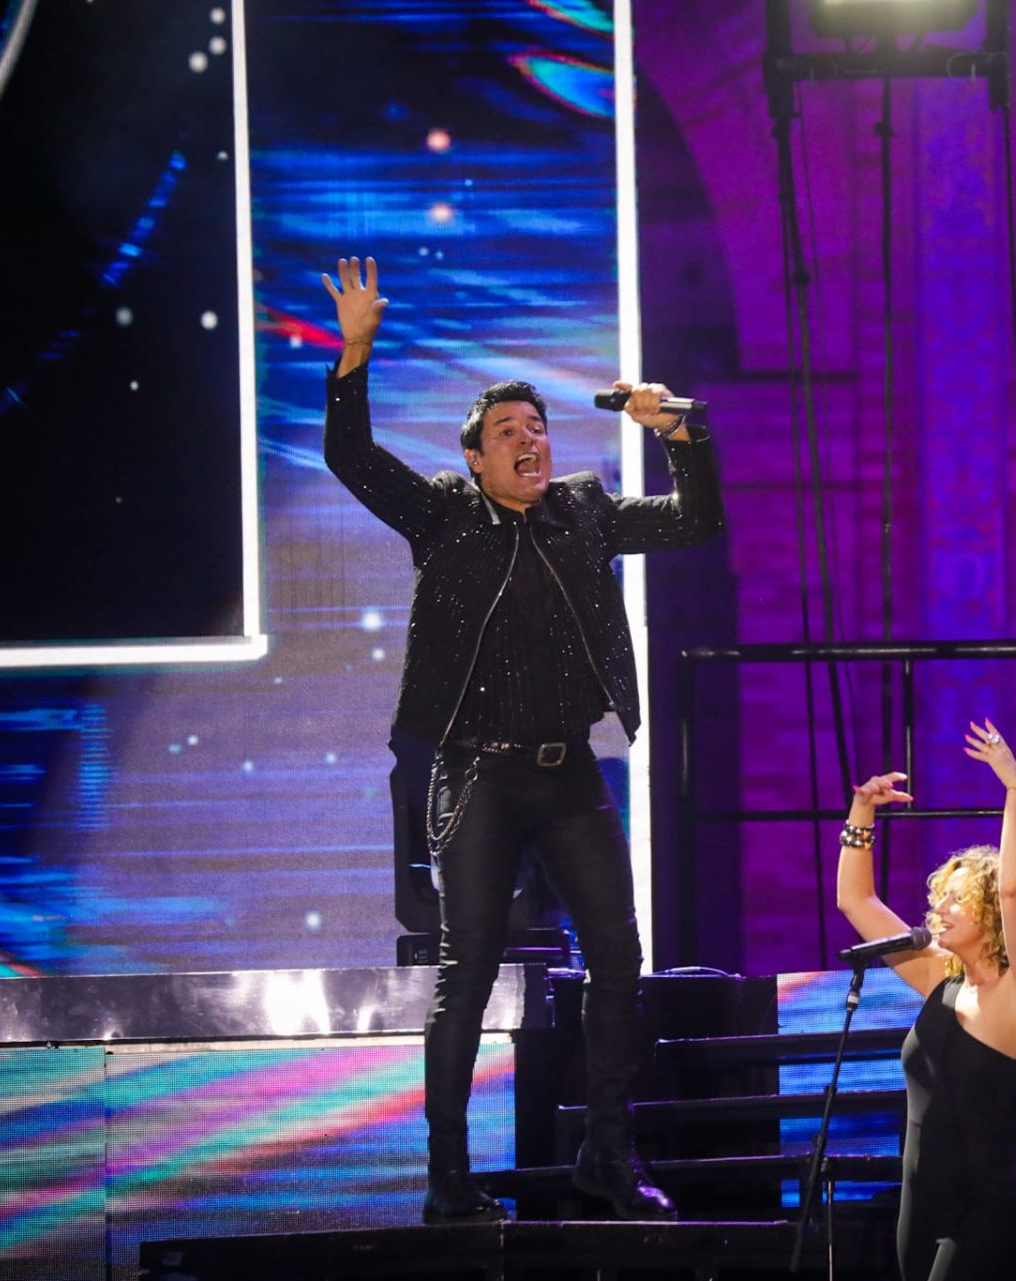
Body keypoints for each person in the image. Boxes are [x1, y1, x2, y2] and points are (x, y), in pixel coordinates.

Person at [320, 256, 725, 1224]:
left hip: (569, 772)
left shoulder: (580, 511)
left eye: (537, 427)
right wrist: (356, 351)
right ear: (474, 459)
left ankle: (607, 1160)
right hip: (478, 776)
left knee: (620, 959)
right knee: (466, 971)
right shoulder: (445, 516)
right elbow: (352, 459)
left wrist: (682, 433)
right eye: (508, 432)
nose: (529, 441)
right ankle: (448, 1182)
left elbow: (696, 520)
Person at [836, 720, 1016, 1281]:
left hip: (991, 1207)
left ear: (991, 914)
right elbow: (854, 900)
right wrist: (861, 813)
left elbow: (1014, 886)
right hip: (922, 1199)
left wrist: (1015, 791)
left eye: (956, 898)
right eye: (939, 895)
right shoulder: (941, 979)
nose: (938, 908)